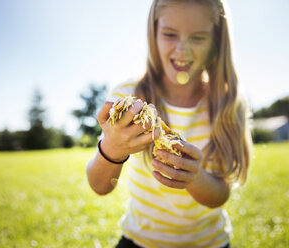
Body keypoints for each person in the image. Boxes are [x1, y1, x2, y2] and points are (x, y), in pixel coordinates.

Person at [86, 0, 252, 247]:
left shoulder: (227, 105)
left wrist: (194, 177)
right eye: (169, 34)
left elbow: (220, 194)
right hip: (140, 241)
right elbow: (99, 185)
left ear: (216, 42)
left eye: (198, 38)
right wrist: (112, 148)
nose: (182, 49)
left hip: (208, 243)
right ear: (153, 33)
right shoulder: (128, 96)